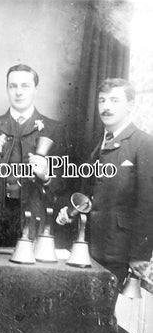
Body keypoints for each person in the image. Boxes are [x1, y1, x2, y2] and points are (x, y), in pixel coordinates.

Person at [57, 78, 153, 284]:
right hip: (90, 244)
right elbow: (90, 193)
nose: (106, 107)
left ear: (130, 105)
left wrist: (139, 255)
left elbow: (148, 203)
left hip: (120, 251)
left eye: (114, 101)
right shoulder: (97, 144)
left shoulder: (144, 144)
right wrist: (71, 211)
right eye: (102, 101)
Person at [0, 64, 66, 247]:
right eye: (13, 86)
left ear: (35, 89)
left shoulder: (53, 129)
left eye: (25, 86)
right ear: (7, 89)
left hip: (33, 225)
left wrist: (47, 176)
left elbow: (65, 185)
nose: (19, 92)